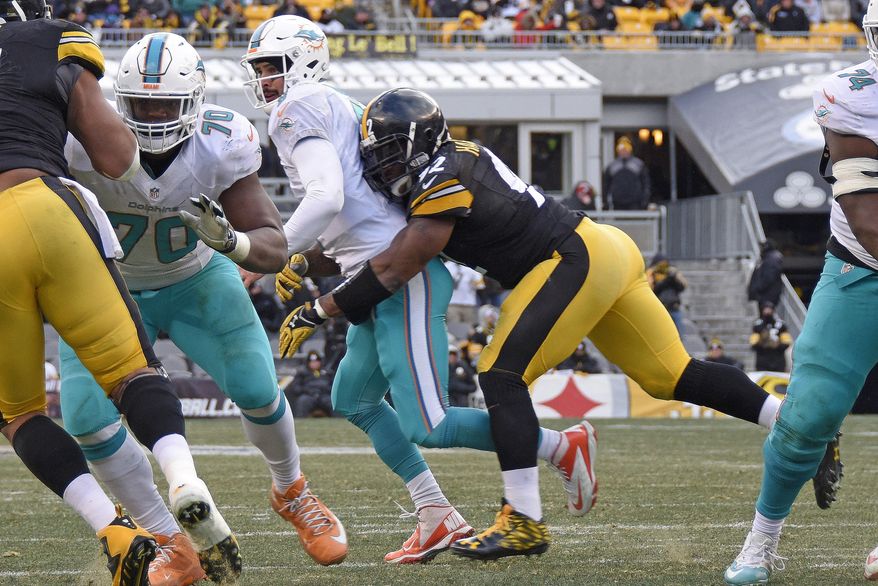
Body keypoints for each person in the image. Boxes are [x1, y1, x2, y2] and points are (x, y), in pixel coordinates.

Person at [276, 87, 823, 561]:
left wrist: (320, 308)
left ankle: (523, 517)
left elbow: (400, 262)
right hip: (603, 250)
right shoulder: (448, 166)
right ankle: (799, 425)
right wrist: (307, 261)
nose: (381, 167)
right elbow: (389, 246)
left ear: (421, 141)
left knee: (499, 374)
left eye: (391, 154)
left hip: (570, 258)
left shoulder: (445, 171)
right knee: (670, 376)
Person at [242, 15, 597, 563]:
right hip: (370, 268)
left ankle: (558, 446)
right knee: (353, 399)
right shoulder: (332, 102)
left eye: (273, 67)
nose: (265, 80)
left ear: (304, 61)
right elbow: (353, 208)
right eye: (259, 69)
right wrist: (311, 258)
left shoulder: (297, 107)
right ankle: (435, 512)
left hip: (396, 277)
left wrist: (275, 253)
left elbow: (328, 197)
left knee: (429, 423)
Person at [61, 32, 347, 582]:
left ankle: (291, 489)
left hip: (195, 278)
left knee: (258, 388)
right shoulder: (75, 138)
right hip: (106, 285)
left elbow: (271, 246)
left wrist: (230, 243)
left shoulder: (222, 142)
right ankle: (170, 539)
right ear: (119, 100)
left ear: (193, 99)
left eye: (164, 102)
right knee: (84, 417)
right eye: (140, 103)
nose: (151, 115)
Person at [0, 3, 201, 583]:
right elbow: (115, 158)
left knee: (17, 414)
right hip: (40, 205)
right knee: (133, 373)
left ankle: (112, 528)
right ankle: (183, 477)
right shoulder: (50, 40)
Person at [719, 24, 878, 581]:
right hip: (864, 269)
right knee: (808, 414)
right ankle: (761, 542)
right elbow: (869, 219)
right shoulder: (854, 99)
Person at [603, 136, 651, 210]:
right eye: (621, 149)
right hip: (617, 203)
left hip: (635, 203)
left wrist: (645, 200)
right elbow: (606, 186)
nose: (624, 151)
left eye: (626, 149)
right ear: (618, 151)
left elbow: (646, 184)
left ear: (630, 150)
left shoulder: (638, 164)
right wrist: (605, 202)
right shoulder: (612, 166)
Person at [647, 253, 687, 334]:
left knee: (679, 336)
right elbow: (652, 290)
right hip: (660, 310)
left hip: (674, 309)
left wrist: (674, 277)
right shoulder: (652, 274)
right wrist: (665, 281)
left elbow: (682, 287)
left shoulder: (672, 273)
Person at [284, 351, 334, 417]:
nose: (315, 364)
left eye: (316, 362)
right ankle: (300, 421)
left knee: (333, 402)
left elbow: (333, 386)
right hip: (308, 395)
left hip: (324, 395)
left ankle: (339, 421)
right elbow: (296, 387)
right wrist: (307, 390)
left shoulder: (327, 372)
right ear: (308, 363)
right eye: (312, 362)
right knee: (302, 401)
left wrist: (325, 390)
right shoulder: (302, 373)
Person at [749, 302, 792, 372]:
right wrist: (762, 344)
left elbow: (787, 342)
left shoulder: (781, 325)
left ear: (773, 310)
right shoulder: (757, 325)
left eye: (769, 309)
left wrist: (777, 346)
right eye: (765, 309)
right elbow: (753, 343)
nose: (767, 312)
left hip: (778, 359)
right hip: (762, 359)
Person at [445, 261, 485, 332]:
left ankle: (468, 343)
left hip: (468, 303)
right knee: (454, 329)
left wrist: (474, 283)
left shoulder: (472, 267)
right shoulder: (447, 266)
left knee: (469, 330)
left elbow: (480, 285)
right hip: (452, 303)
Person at [747, 239, 784, 311]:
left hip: (767, 298)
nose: (761, 249)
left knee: (767, 319)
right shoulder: (767, 258)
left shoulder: (772, 259)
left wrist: (758, 288)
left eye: (763, 246)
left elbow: (768, 279)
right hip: (764, 297)